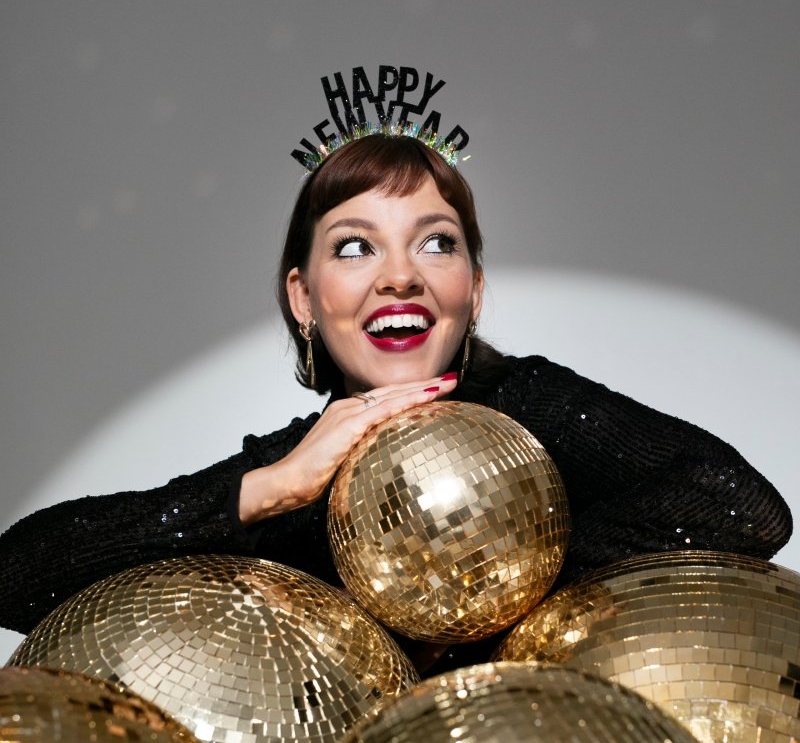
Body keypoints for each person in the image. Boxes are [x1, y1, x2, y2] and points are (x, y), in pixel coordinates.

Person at [0, 134, 792, 655]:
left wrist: (491, 588)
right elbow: (18, 574)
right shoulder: (289, 474)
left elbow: (741, 506)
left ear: (472, 289)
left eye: (436, 242)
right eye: (355, 247)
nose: (401, 275)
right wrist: (270, 489)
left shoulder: (530, 405)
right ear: (304, 298)